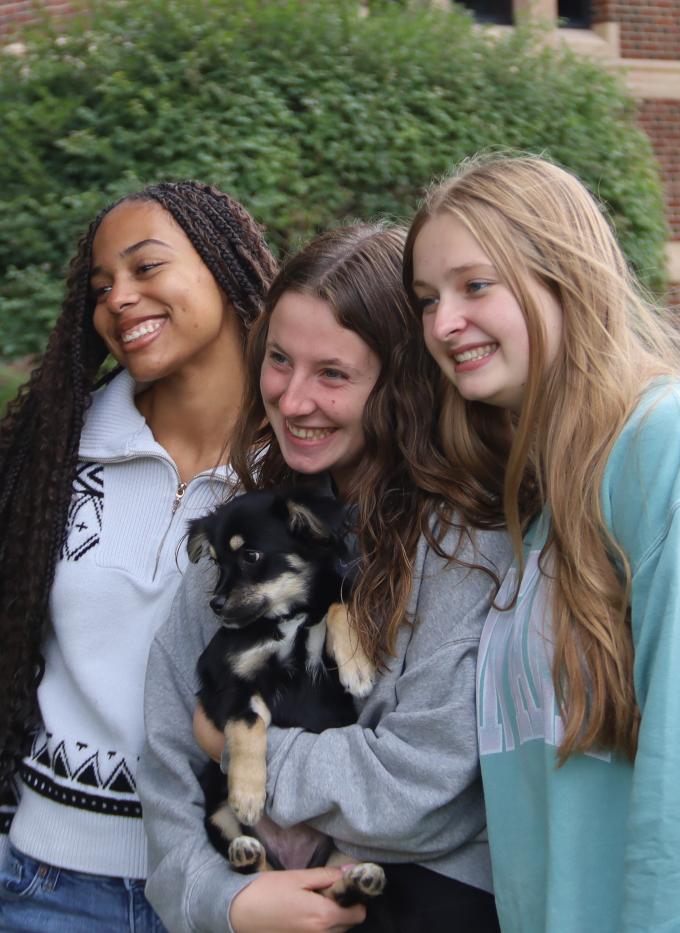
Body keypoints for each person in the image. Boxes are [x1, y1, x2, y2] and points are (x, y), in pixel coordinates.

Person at [138, 224, 512, 933]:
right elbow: (165, 760)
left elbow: (426, 788)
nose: (293, 398)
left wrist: (240, 747)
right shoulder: (241, 535)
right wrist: (226, 899)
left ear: (402, 385)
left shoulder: (467, 545)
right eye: (279, 360)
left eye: (333, 374)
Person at [405, 152, 680, 933]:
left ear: (563, 273)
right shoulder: (535, 502)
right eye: (428, 298)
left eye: (475, 285)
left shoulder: (668, 441)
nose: (443, 323)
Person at [0, 180, 276, 931]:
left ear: (226, 267)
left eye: (146, 267)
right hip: (49, 885)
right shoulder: (52, 454)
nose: (119, 298)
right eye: (100, 286)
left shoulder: (303, 465)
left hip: (245, 887)